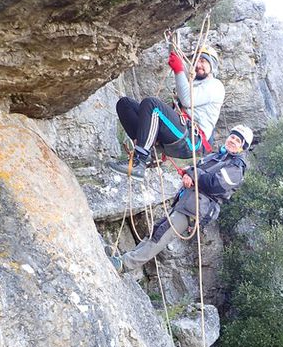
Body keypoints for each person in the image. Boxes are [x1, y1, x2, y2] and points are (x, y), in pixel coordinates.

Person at [108, 125, 253, 272]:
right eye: (232, 137)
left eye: (238, 140)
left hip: (194, 208)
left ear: (243, 147)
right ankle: (124, 260)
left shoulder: (236, 168)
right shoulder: (217, 156)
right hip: (186, 202)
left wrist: (192, 174)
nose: (232, 140)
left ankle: (124, 264)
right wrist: (188, 171)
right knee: (156, 231)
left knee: (161, 236)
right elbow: (198, 169)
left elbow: (214, 184)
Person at [109, 46, 225, 179]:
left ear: (212, 65)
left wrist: (179, 70)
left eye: (203, 61)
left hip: (190, 139)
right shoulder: (192, 83)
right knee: (125, 104)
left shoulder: (216, 86)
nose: (198, 64)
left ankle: (139, 160)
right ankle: (144, 144)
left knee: (152, 105)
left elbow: (187, 100)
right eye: (196, 60)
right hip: (178, 134)